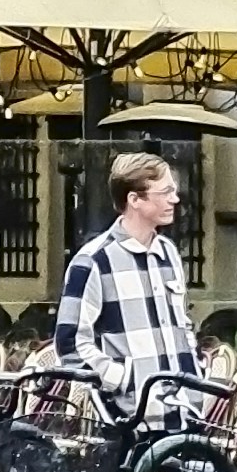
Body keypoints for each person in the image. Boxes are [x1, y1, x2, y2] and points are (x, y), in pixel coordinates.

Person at [49, 146, 204, 427]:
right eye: (165, 192)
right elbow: (70, 344)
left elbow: (182, 326)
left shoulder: (167, 252)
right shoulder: (94, 260)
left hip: (181, 415)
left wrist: (195, 377)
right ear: (135, 199)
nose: (175, 199)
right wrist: (121, 381)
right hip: (127, 421)